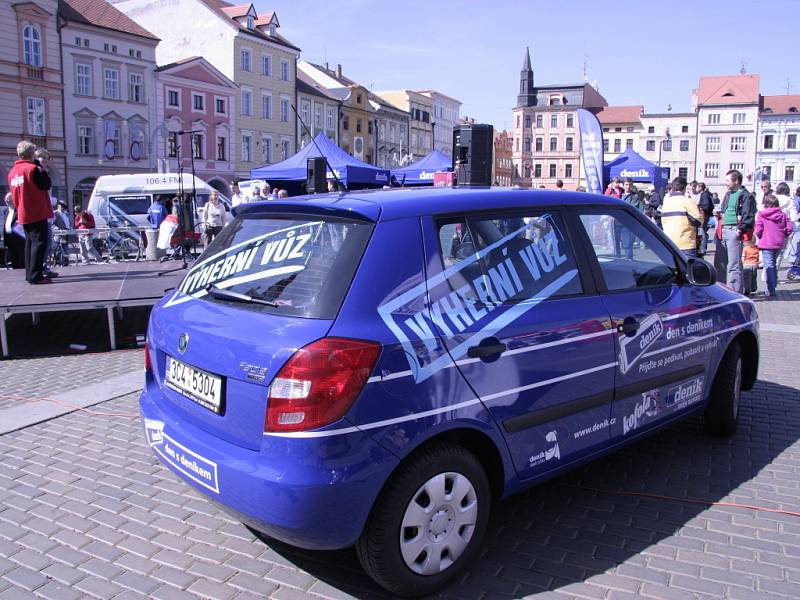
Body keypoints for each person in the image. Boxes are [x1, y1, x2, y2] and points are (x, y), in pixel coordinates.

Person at [7, 140, 54, 284]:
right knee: (40, 243)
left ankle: (30, 273)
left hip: (23, 212)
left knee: (29, 244)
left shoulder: (12, 172)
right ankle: (36, 276)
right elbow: (46, 184)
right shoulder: (33, 169)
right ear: (31, 153)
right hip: (36, 211)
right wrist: (43, 171)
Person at [717, 169, 757, 293]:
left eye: (728, 180)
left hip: (734, 230)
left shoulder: (746, 196)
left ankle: (733, 292)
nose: (726, 183)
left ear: (736, 181)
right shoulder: (728, 194)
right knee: (721, 263)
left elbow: (748, 215)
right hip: (723, 229)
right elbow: (725, 209)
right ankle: (721, 290)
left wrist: (740, 230)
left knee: (733, 265)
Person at [755, 195, 793, 298]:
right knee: (773, 265)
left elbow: (758, 230)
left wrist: (760, 236)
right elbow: (790, 228)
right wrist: (784, 235)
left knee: (769, 266)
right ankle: (773, 286)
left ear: (766, 204)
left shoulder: (761, 215)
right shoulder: (783, 215)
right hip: (779, 243)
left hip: (766, 243)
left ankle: (770, 289)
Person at [660, 176, 702, 259]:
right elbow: (698, 221)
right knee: (687, 269)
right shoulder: (687, 201)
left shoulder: (666, 202)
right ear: (684, 188)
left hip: (669, 242)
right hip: (685, 243)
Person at [696, 182, 714, 257]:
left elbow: (706, 205)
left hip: (704, 215)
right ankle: (703, 248)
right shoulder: (706, 194)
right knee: (703, 231)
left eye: (697, 187)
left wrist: (700, 206)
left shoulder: (705, 195)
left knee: (702, 231)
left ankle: (702, 249)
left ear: (701, 187)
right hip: (706, 215)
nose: (697, 188)